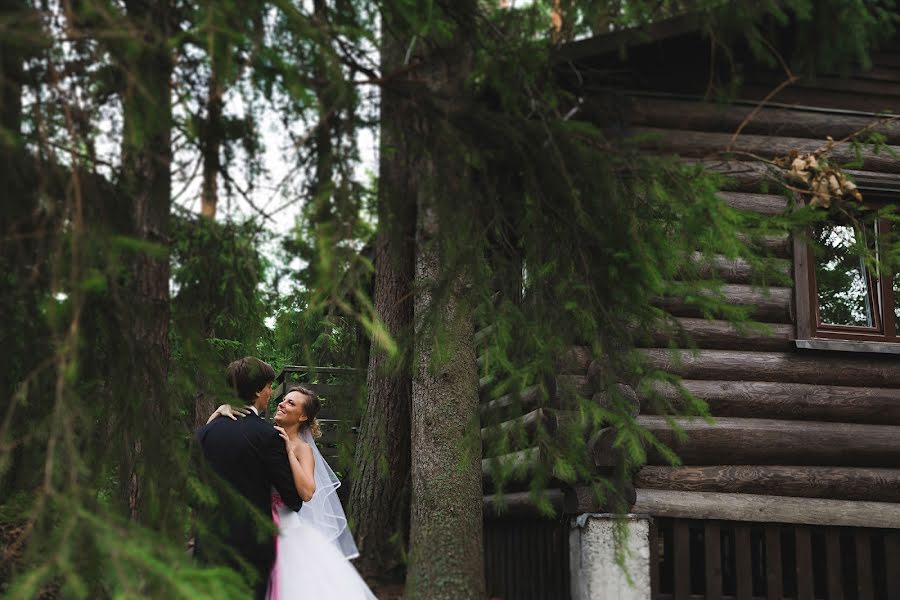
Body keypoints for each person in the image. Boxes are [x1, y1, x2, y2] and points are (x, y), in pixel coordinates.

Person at [210, 385, 376, 600]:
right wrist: (218, 413)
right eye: (284, 399)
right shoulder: (264, 436)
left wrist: (288, 451)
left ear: (303, 416)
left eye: (291, 403)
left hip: (288, 531)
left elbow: (307, 491)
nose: (282, 403)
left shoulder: (302, 448)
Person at [195, 357, 304, 600]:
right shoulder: (268, 436)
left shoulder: (205, 432)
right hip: (251, 548)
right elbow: (294, 500)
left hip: (208, 542)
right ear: (257, 390)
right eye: (268, 386)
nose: (270, 393)